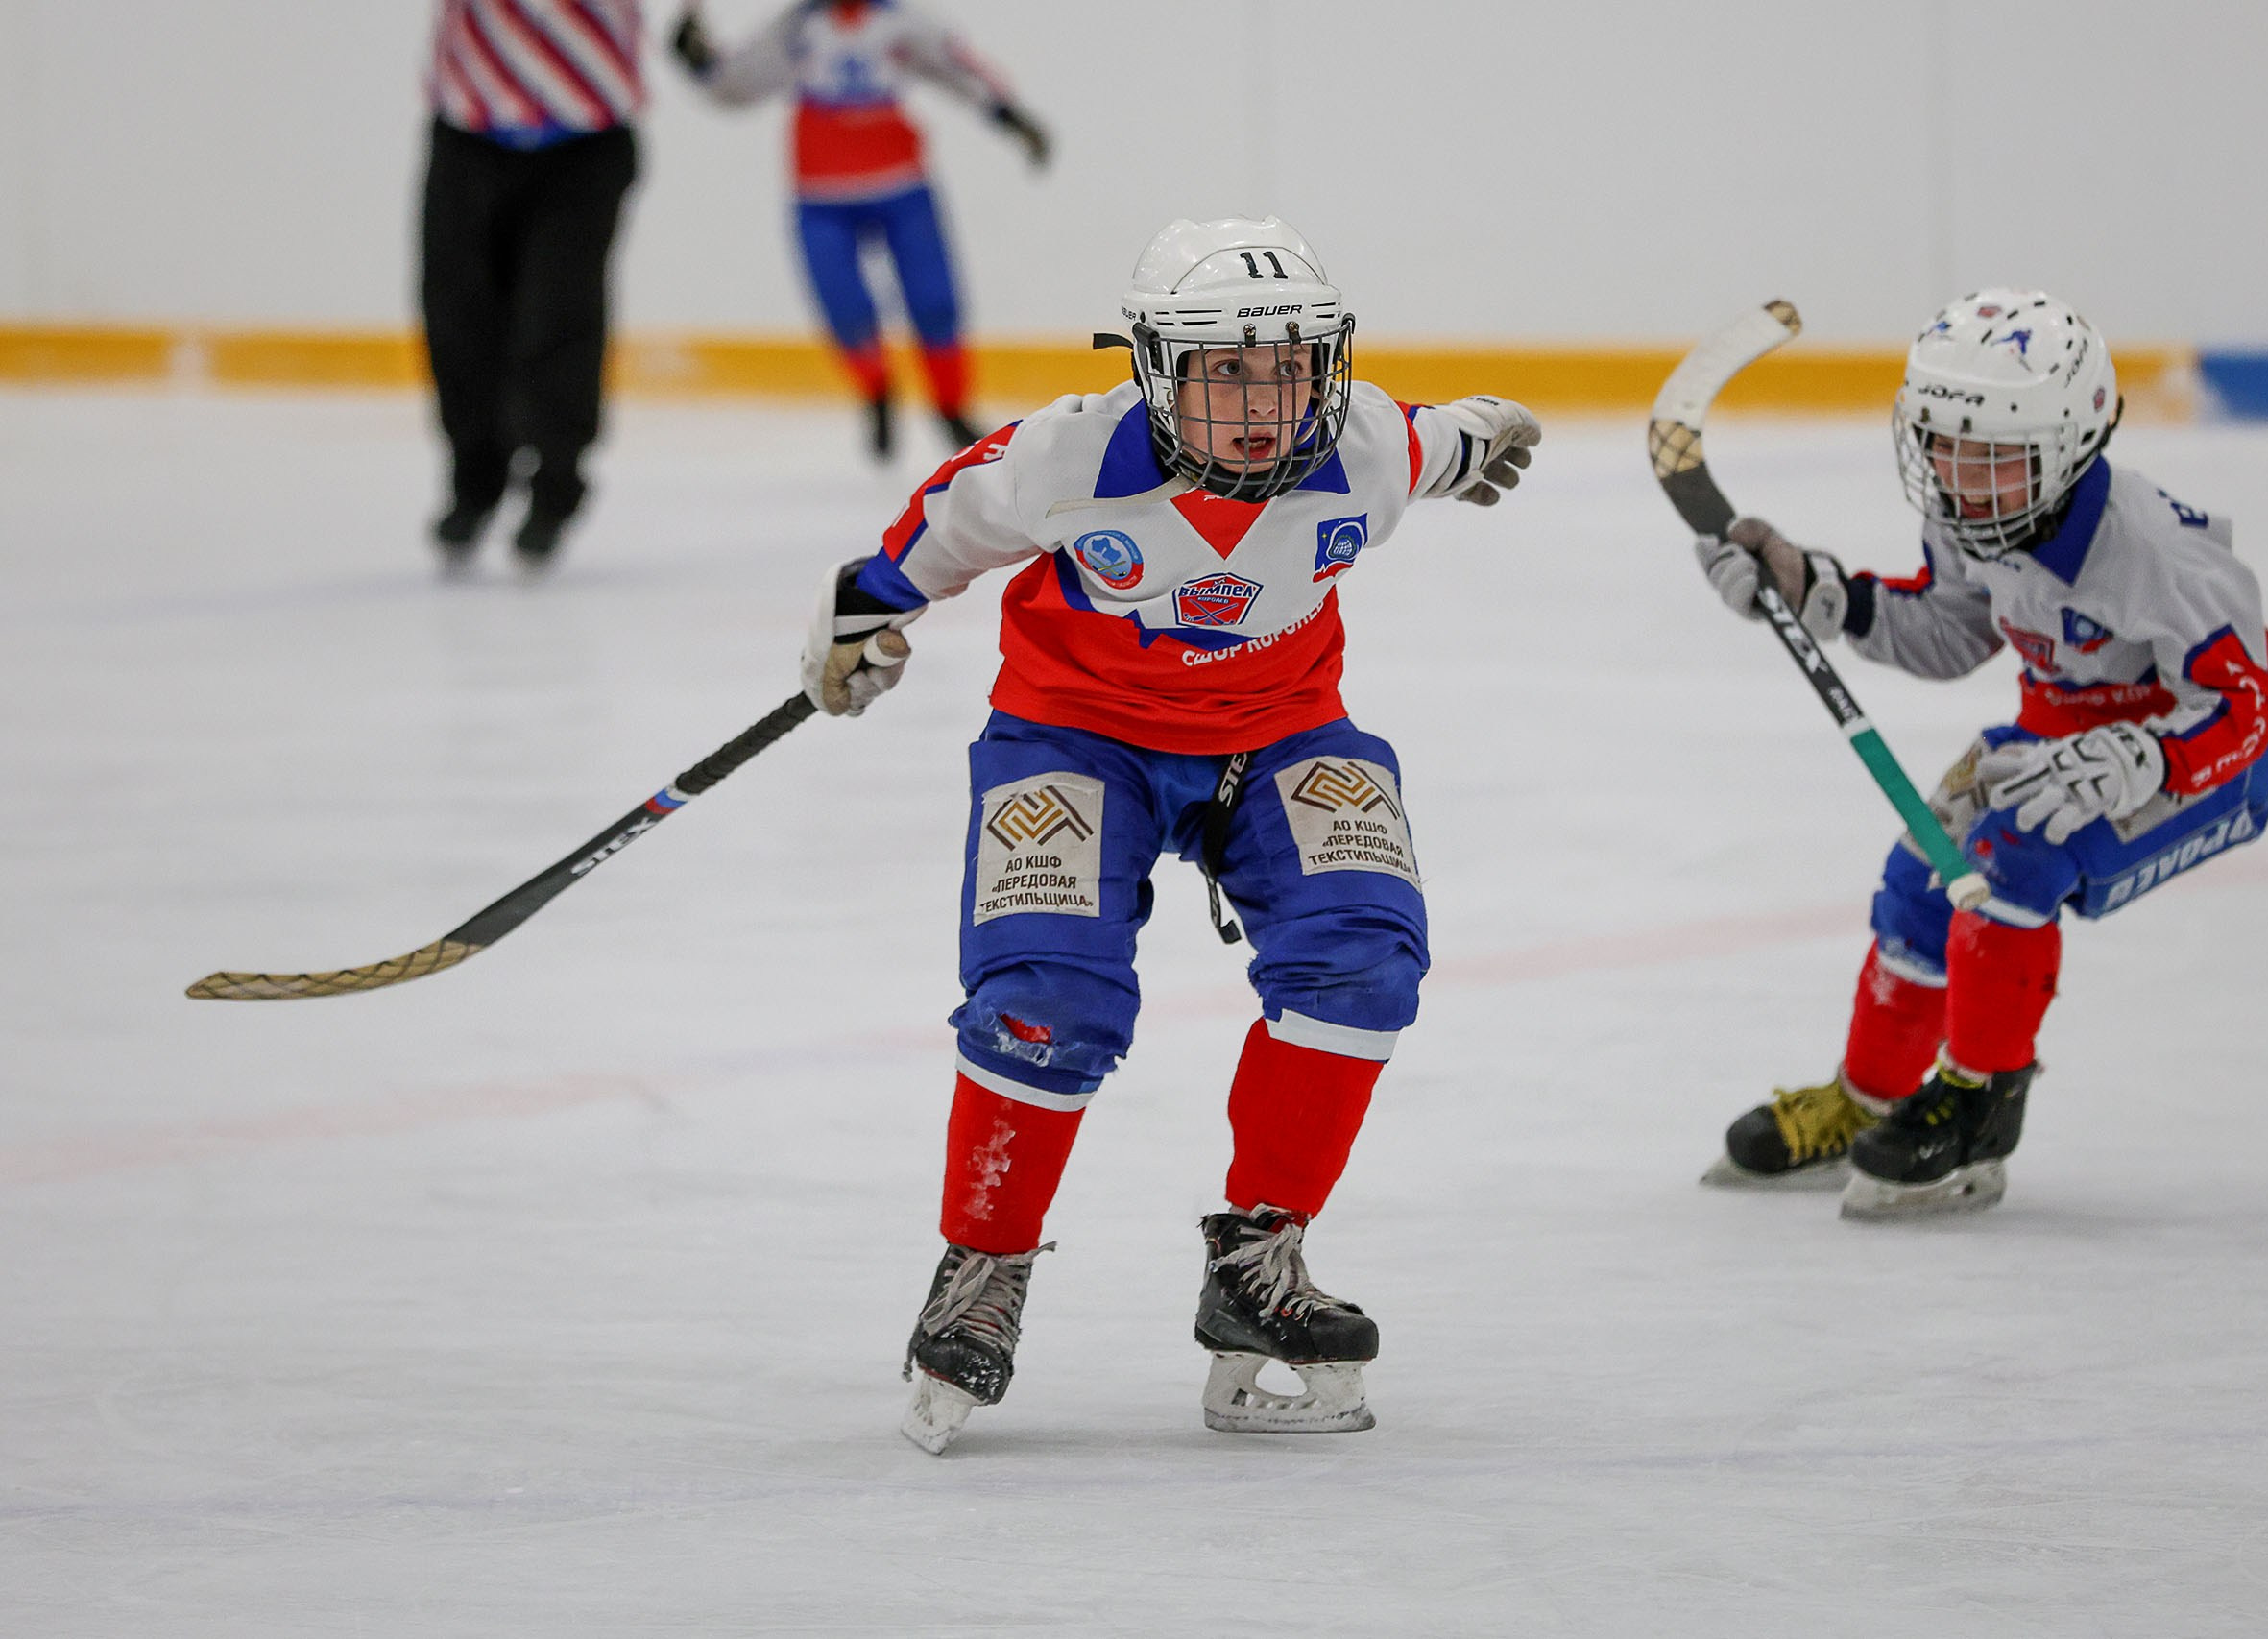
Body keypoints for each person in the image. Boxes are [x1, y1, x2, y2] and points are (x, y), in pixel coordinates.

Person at [800, 217, 1541, 1451]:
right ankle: (981, 1270)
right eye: (1227, 370)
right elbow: (934, 533)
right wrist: (851, 625)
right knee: (1045, 999)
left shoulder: (1361, 447)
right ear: (1154, 365)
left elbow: (1445, 436)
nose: (1263, 402)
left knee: (1364, 961)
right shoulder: (1063, 459)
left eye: (1288, 367)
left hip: (1280, 735)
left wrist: (1483, 433)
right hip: (1075, 738)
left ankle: (1260, 1257)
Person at [1694, 290, 2268, 1219]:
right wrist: (1816, 590)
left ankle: (1980, 1106)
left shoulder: (2157, 555)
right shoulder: (1971, 510)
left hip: (2197, 759)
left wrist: (2149, 759)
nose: (1963, 479)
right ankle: (1869, 1099)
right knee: (1919, 874)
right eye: (1944, 447)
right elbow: (1946, 633)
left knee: (2012, 861)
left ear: (2068, 450)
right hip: (2060, 736)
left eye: (1995, 459)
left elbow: (2250, 712)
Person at [670, 0, 1050, 460]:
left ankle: (951, 407)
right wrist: (699, 61)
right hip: (821, 194)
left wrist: (1010, 116)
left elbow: (959, 68)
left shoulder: (902, 23)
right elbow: (739, 82)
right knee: (843, 306)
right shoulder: (798, 28)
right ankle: (876, 390)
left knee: (934, 300)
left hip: (902, 186)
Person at [422, 0, 646, 574]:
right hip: (469, 129)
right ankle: (474, 476)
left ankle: (556, 482)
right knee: (457, 317)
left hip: (584, 136)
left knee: (558, 315)